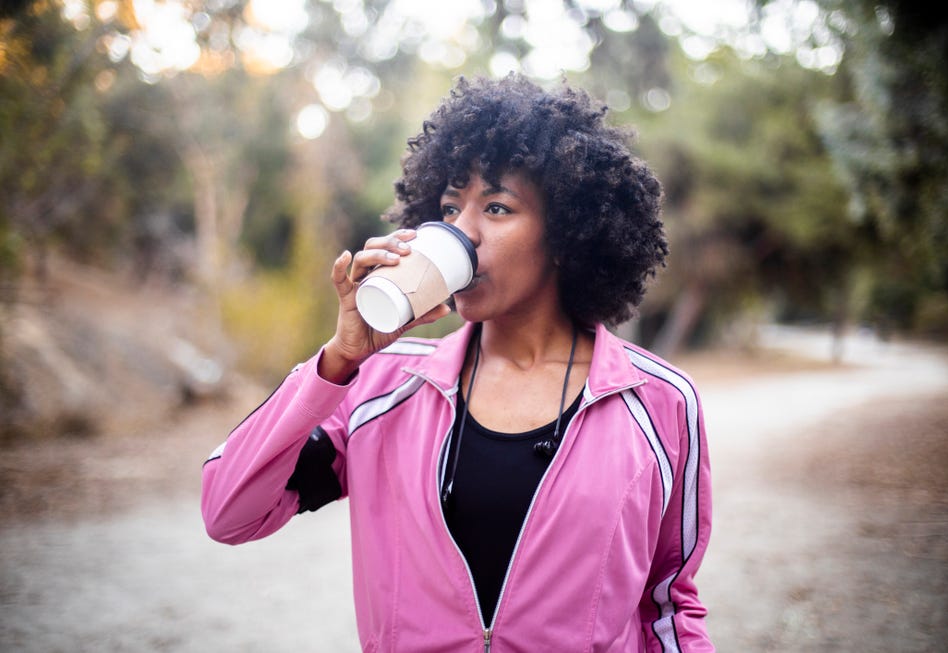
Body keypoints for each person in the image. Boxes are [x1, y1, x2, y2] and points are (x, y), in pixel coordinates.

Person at [202, 73, 714, 652]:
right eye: (449, 207)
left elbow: (670, 604)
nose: (459, 233)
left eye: (497, 207)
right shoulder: (381, 387)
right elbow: (229, 512)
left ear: (568, 233)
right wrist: (338, 361)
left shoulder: (660, 402)